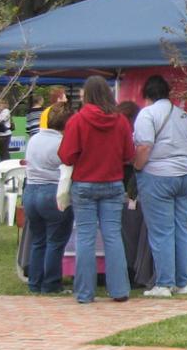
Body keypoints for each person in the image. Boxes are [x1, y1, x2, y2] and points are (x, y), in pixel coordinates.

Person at [59, 75, 135, 304]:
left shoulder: (77, 120)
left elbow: (66, 155)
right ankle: (119, 290)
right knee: (113, 236)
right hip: (112, 183)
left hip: (84, 183)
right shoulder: (121, 121)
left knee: (85, 237)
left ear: (87, 95)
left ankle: (84, 293)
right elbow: (129, 154)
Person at [133, 75, 187, 298]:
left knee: (162, 230)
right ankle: (183, 283)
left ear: (146, 95)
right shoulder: (185, 116)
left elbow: (144, 147)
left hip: (159, 174)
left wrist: (137, 167)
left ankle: (164, 283)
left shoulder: (147, 114)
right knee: (182, 228)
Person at [23, 102, 75, 295]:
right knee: (55, 241)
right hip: (52, 191)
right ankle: (51, 283)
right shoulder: (62, 142)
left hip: (31, 191)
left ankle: (35, 282)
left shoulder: (34, 139)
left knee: (38, 240)